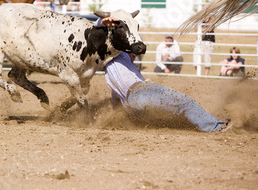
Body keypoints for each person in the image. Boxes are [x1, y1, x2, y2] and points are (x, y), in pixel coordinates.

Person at [98, 17, 232, 133]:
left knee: (172, 113)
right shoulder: (118, 55)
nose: (134, 54)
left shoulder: (112, 69)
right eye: (132, 52)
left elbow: (116, 102)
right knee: (184, 102)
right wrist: (103, 22)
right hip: (140, 92)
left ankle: (202, 124)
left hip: (133, 104)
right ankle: (215, 127)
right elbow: (100, 31)